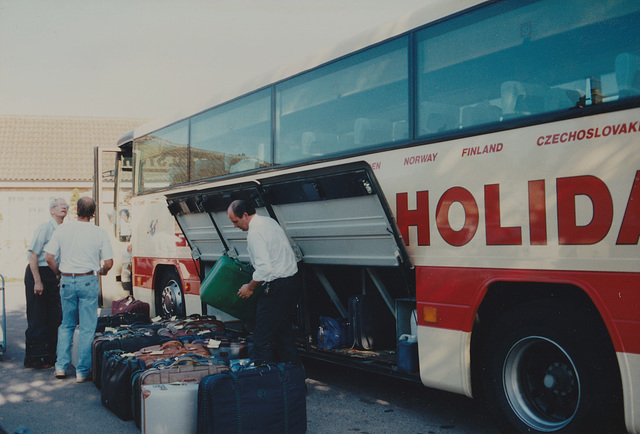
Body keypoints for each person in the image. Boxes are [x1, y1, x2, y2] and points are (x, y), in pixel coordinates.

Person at [45, 197, 113, 382]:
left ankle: (60, 366)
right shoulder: (99, 232)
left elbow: (49, 257)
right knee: (86, 327)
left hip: (67, 279)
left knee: (66, 324)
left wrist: (59, 272)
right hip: (87, 280)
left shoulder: (62, 229)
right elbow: (108, 262)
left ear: (76, 210)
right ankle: (82, 371)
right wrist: (103, 271)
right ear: (93, 212)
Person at [227, 199, 301, 365]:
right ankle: (294, 380)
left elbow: (264, 270)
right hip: (291, 282)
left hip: (275, 288)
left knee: (261, 339)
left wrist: (249, 287)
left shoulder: (255, 233)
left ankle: (261, 381)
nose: (235, 226)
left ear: (245, 215)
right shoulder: (269, 222)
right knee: (284, 335)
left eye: (236, 222)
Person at [23, 198, 68, 369]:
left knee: (53, 317)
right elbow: (33, 255)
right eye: (59, 205)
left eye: (66, 205)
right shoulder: (45, 228)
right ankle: (33, 358)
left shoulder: (64, 229)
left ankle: (49, 357)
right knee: (37, 316)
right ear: (51, 211)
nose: (64, 207)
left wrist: (58, 275)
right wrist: (37, 281)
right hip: (38, 273)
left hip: (52, 274)